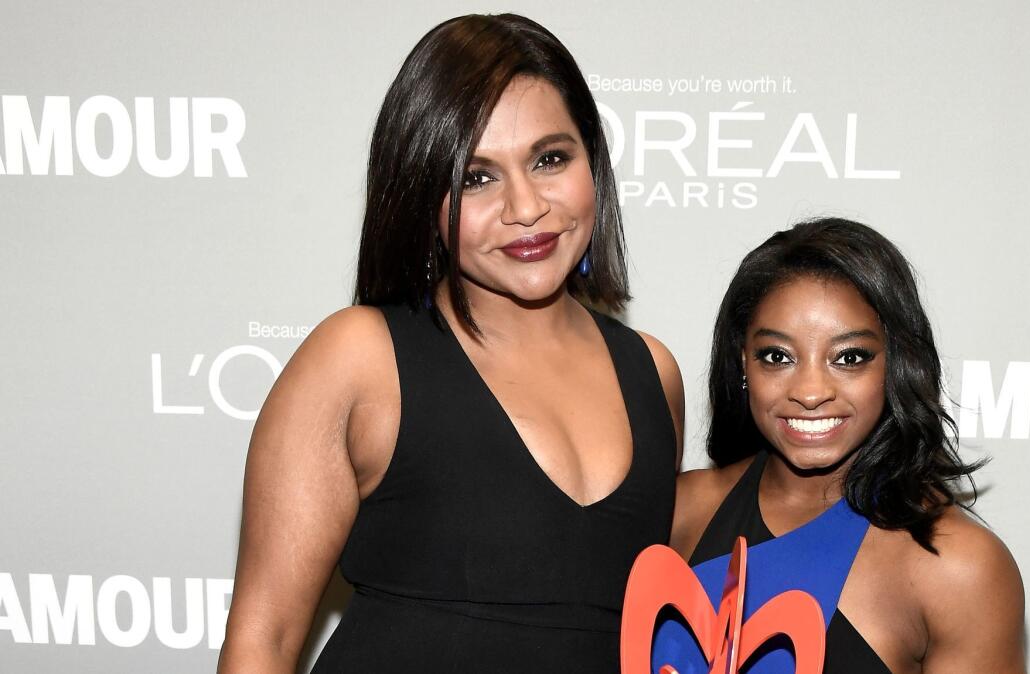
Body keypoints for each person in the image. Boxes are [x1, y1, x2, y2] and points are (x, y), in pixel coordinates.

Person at [217, 14, 684, 673]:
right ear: (421, 196)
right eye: (476, 177)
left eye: (550, 159)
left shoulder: (652, 374)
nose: (526, 207)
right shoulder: (360, 359)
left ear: (594, 161)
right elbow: (261, 643)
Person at [654, 218, 1023, 673]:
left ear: (896, 363)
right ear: (742, 362)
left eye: (849, 357)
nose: (811, 392)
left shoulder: (957, 568)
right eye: (777, 356)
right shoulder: (678, 510)